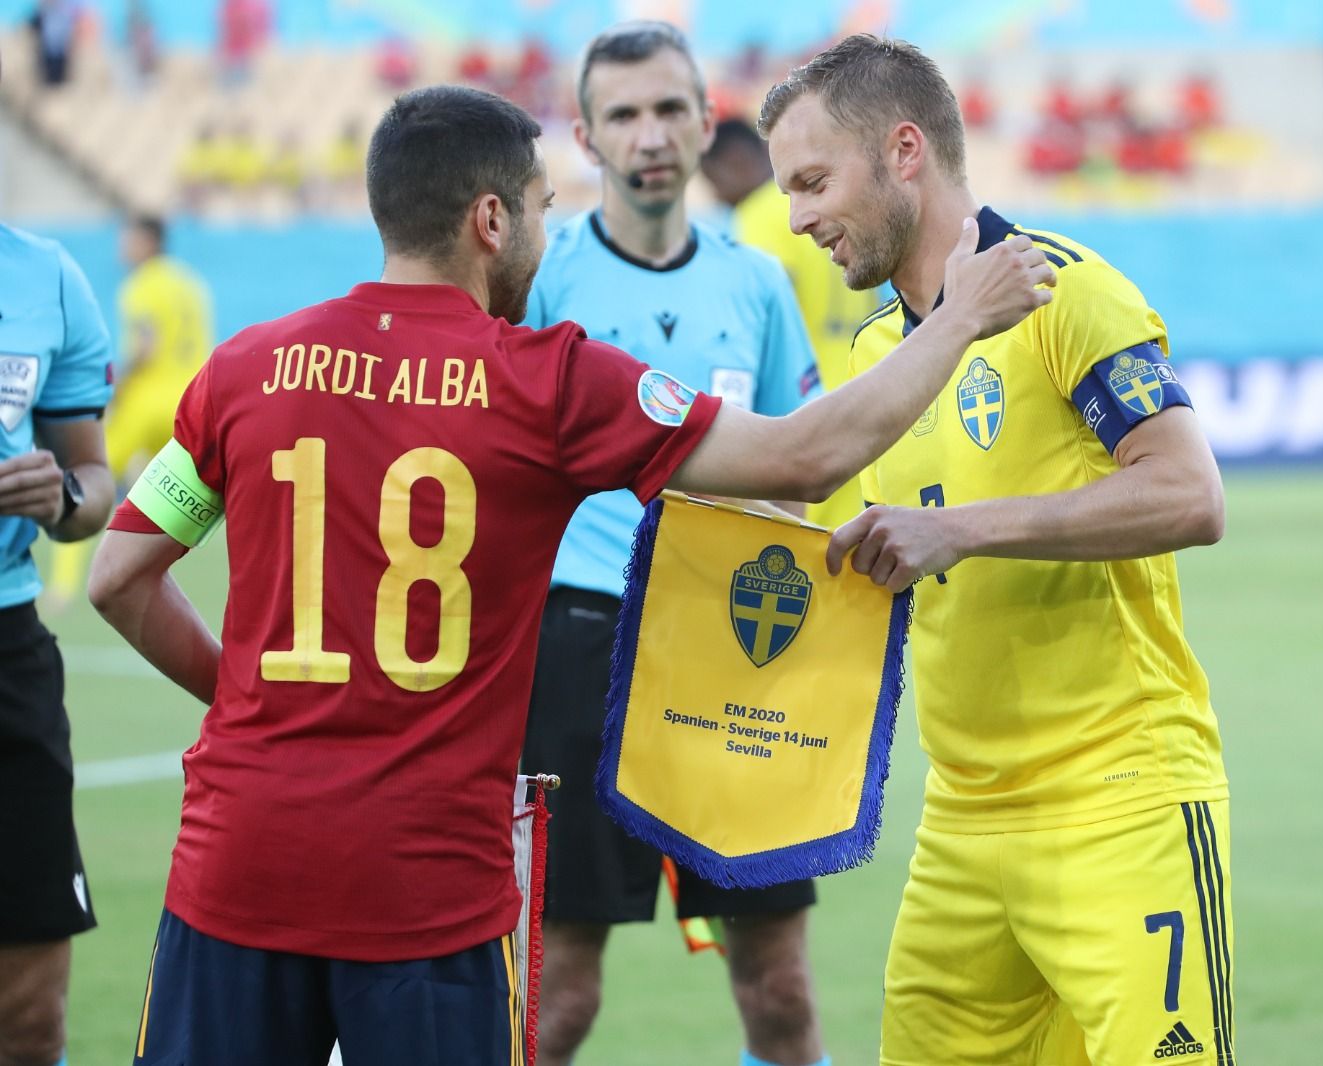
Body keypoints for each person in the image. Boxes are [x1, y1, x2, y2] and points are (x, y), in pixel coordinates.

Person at [86, 83, 1052, 1066]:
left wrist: (243, 697)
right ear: (490, 220)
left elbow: (118, 576)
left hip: (235, 864)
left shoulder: (244, 368)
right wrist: (957, 318)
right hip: (429, 892)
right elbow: (807, 457)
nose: (547, 237)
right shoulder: (547, 381)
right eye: (542, 210)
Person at [760, 34, 1232, 1066]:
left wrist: (959, 531)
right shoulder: (877, 355)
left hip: (1119, 801)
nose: (795, 219)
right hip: (961, 828)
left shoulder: (1065, 289)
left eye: (812, 183)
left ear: (904, 151)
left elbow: (1189, 493)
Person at [516, 23, 829, 1066]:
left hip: (730, 643)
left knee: (780, 991)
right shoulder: (542, 280)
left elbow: (797, 467)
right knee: (558, 997)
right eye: (623, 115)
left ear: (704, 123)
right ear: (585, 138)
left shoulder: (757, 282)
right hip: (580, 645)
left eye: (667, 109)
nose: (648, 134)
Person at [0, 220, 118, 1065]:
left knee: (33, 1020)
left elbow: (94, 483)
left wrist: (62, 497)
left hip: (9, 651)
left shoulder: (47, 277)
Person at [700, 115, 883, 531]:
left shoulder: (760, 215)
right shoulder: (832, 207)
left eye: (713, 181)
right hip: (864, 397)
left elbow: (756, 318)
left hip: (805, 418)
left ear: (736, 161)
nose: (716, 197)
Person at [45, 215, 212, 608]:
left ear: (148, 242)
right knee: (180, 500)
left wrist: (116, 388)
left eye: (129, 238)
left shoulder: (140, 285)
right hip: (189, 403)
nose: (122, 245)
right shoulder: (191, 284)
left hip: (146, 403)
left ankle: (63, 585)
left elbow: (145, 346)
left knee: (83, 478)